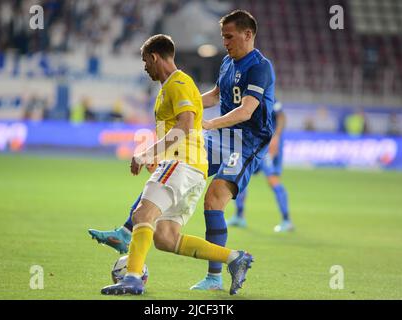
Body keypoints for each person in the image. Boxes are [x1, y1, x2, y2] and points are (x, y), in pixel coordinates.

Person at [89, 10, 275, 292]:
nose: (224, 42)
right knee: (172, 168)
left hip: (245, 141)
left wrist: (204, 121)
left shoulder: (260, 66)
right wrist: (186, 105)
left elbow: (247, 111)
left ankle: (215, 277)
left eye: (229, 36)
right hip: (220, 135)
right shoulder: (227, 63)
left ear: (248, 35)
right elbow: (214, 96)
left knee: (213, 200)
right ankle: (125, 231)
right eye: (223, 36)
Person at [228, 100, 294, 232]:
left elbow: (281, 116)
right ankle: (239, 216)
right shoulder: (247, 96)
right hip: (251, 144)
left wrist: (276, 138)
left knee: (272, 180)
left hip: (267, 146)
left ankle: (287, 220)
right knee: (239, 177)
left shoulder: (268, 97)